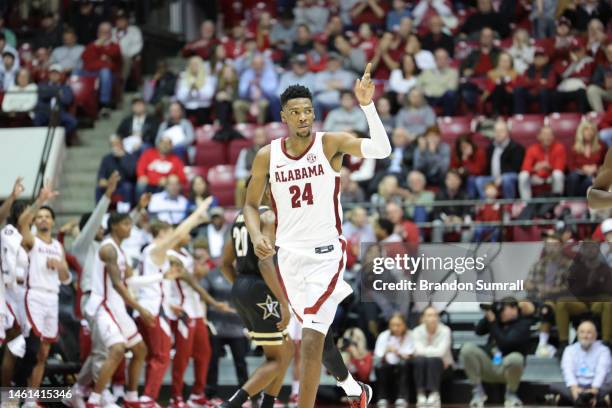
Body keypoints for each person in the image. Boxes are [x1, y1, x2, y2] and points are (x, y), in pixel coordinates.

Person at [244, 64, 391, 407]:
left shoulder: (331, 144)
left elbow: (381, 150)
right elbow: (250, 205)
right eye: (295, 112)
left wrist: (367, 106)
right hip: (288, 259)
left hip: (326, 256)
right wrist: (255, 234)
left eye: (308, 111)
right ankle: (356, 390)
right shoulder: (268, 156)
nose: (303, 117)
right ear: (284, 116)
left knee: (309, 340)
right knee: (319, 339)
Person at [218, 181, 294, 408]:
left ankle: (267, 404)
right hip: (261, 287)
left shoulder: (240, 218)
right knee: (277, 359)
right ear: (268, 191)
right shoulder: (267, 217)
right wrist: (282, 302)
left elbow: (224, 264)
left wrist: (242, 289)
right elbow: (265, 263)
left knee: (287, 350)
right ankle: (231, 404)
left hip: (242, 286)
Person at [135, 198, 218, 404]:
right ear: (162, 235)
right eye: (168, 234)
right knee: (162, 356)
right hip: (156, 308)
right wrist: (198, 213)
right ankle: (152, 398)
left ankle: (138, 395)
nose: (173, 237)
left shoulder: (152, 253)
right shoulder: (157, 250)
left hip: (151, 307)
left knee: (153, 355)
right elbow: (180, 233)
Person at [82, 211, 151, 408]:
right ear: (114, 226)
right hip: (103, 305)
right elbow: (118, 285)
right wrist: (140, 308)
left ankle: (131, 397)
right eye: (126, 224)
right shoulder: (108, 249)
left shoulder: (121, 250)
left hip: (116, 306)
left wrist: (162, 276)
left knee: (140, 350)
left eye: (131, 224)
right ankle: (94, 401)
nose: (130, 228)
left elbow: (130, 280)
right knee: (117, 349)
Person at [19, 200, 72, 400]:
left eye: (47, 216)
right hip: (34, 296)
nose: (43, 219)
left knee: (43, 353)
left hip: (53, 298)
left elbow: (66, 278)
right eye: (39, 216)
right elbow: (22, 224)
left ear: (53, 222)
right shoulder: (33, 240)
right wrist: (40, 201)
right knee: (30, 349)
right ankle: (14, 394)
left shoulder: (58, 246)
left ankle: (31, 399)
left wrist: (60, 265)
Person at [459, 297, 531, 408]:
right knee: (467, 348)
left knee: (516, 358)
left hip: (507, 369)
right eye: (499, 310)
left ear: (514, 308)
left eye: (503, 309)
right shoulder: (497, 320)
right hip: (490, 365)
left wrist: (493, 323)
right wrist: (490, 312)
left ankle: (511, 394)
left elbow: (506, 343)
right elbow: (478, 331)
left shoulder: (523, 324)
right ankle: (478, 392)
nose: (500, 312)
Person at [523, 233, 572, 357]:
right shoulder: (538, 264)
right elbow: (527, 282)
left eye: (554, 245)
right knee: (515, 306)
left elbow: (570, 287)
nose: (551, 248)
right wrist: (532, 286)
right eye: (548, 245)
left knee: (546, 308)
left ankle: (542, 344)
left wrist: (551, 291)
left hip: (556, 300)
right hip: (535, 297)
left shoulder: (569, 265)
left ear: (561, 246)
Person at [550, 320, 612, 407]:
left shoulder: (603, 350)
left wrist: (594, 390)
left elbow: (601, 372)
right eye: (582, 332)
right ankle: (588, 400)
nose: (585, 336)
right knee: (554, 385)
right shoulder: (569, 350)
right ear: (577, 334)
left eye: (589, 332)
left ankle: (583, 400)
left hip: (598, 386)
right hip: (576, 384)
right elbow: (568, 371)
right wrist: (574, 389)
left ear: (595, 335)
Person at [412, 306, 453, 408]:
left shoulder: (445, 330)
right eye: (429, 315)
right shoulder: (416, 331)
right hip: (423, 366)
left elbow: (440, 353)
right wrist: (431, 351)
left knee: (433, 360)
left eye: (435, 315)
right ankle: (420, 394)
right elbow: (418, 351)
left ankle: (434, 393)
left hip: (444, 367)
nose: (433, 318)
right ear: (423, 318)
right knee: (419, 360)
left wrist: (426, 351)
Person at [475, 119, 525, 199]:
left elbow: (516, 168)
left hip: (510, 176)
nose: (498, 134)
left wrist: (501, 178)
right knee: (479, 180)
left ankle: (508, 206)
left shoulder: (517, 148)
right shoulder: (490, 148)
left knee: (506, 179)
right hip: (493, 177)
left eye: (501, 131)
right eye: (496, 131)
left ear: (507, 132)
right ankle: (487, 207)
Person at [80, 22, 122, 115]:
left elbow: (110, 65)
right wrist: (96, 48)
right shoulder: (92, 45)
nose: (104, 34)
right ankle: (79, 101)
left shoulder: (115, 46)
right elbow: (84, 58)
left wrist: (96, 59)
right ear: (98, 33)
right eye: (101, 32)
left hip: (110, 74)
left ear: (110, 34)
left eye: (106, 32)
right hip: (91, 72)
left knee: (105, 72)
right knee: (76, 72)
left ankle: (104, 104)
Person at [374, 313, 413, 408]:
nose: (395, 328)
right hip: (387, 364)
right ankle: (382, 397)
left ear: (404, 325)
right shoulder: (383, 335)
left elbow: (410, 354)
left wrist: (397, 351)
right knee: (380, 366)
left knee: (403, 365)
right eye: (393, 325)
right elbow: (378, 354)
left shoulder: (410, 335)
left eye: (398, 325)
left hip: (403, 364)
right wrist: (386, 350)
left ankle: (402, 397)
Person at [518, 126, 567, 199]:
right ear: (539, 136)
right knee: (523, 176)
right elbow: (525, 167)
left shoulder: (559, 148)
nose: (547, 137)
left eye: (549, 135)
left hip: (551, 176)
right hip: (536, 176)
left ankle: (556, 201)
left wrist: (548, 167)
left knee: (558, 174)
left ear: (553, 137)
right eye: (544, 134)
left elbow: (560, 168)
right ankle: (526, 203)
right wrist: (535, 168)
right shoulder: (532, 149)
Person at [566, 120, 606, 197]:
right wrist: (583, 168)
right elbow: (569, 165)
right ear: (581, 132)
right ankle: (572, 200)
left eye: (592, 130)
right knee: (573, 177)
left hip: (594, 175)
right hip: (578, 174)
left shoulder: (601, 146)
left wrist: (596, 168)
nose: (589, 132)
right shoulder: (573, 146)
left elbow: (605, 164)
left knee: (590, 180)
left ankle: (583, 203)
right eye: (586, 130)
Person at [96, 134, 137, 204]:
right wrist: (107, 182)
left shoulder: (130, 157)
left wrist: (123, 159)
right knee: (99, 188)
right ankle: (100, 211)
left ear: (122, 144)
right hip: (110, 185)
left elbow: (131, 175)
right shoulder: (106, 159)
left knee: (127, 187)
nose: (115, 147)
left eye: (116, 144)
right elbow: (101, 176)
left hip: (123, 185)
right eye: (112, 145)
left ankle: (124, 211)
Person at [417, 48, 459, 116]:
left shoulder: (453, 73)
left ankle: (447, 119)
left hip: (442, 99)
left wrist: (431, 91)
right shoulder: (427, 71)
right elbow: (418, 84)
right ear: (434, 60)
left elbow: (451, 88)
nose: (441, 60)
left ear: (448, 60)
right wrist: (423, 91)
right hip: (427, 98)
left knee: (450, 95)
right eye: (438, 58)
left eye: (443, 58)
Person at [175, 56, 216, 125]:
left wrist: (198, 90)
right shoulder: (183, 77)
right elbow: (180, 97)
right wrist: (189, 90)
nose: (193, 66)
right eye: (192, 64)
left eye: (196, 64)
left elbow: (209, 95)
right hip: (188, 107)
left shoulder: (207, 78)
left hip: (203, 106)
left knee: (202, 113)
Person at [112, 10, 143, 85]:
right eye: (118, 20)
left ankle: (121, 81)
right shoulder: (112, 31)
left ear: (127, 21)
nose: (120, 22)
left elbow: (138, 46)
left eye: (122, 20)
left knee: (125, 58)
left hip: (129, 56)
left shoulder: (134, 30)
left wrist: (126, 54)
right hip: (113, 57)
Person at [586, 42, 612, 113]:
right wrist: (605, 84)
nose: (610, 55)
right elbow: (594, 81)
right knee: (592, 89)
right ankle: (600, 115)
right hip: (609, 91)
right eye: (609, 53)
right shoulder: (602, 67)